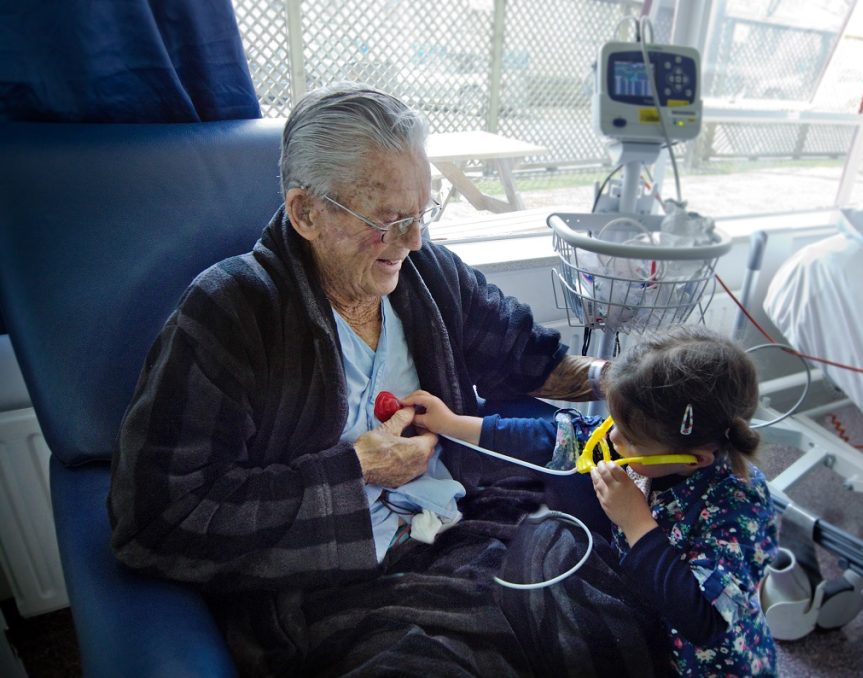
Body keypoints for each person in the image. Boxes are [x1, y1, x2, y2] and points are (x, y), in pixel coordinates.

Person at [107, 82, 662, 677]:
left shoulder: (429, 276)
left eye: (423, 212)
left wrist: (624, 380)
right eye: (389, 218)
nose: (414, 240)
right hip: (331, 580)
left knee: (616, 626)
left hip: (468, 528)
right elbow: (156, 520)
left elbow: (534, 358)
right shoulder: (231, 314)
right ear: (306, 213)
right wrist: (356, 469)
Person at [405, 325, 779, 676]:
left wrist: (637, 524)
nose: (613, 440)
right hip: (645, 612)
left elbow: (705, 621)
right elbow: (547, 437)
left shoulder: (737, 505)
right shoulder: (644, 444)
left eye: (630, 439)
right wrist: (452, 423)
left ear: (694, 460)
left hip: (693, 662)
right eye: (614, 422)